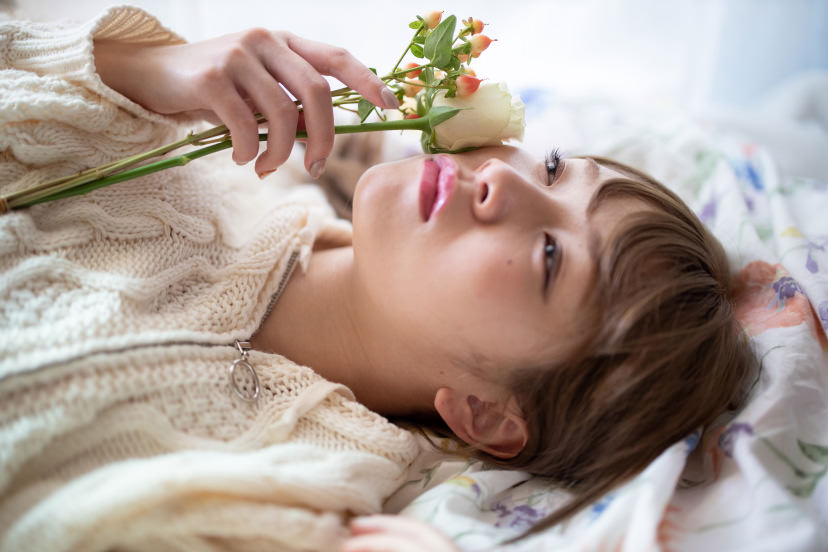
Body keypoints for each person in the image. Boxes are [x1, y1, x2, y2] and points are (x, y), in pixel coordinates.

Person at [0, 5, 756, 552]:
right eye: (553, 169)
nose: (504, 178)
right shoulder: (209, 147)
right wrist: (130, 68)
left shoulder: (314, 487)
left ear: (488, 416)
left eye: (550, 257)